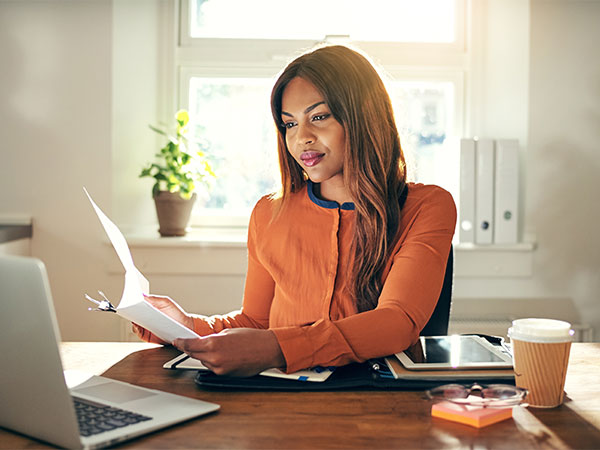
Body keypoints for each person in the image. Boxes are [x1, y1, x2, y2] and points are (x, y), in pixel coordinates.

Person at [133, 45, 456, 377]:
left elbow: (396, 322)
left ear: (365, 115)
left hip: (378, 402)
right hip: (282, 400)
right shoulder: (268, 213)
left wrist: (277, 348)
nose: (301, 138)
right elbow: (256, 323)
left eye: (318, 117)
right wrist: (186, 326)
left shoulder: (428, 206)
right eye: (289, 124)